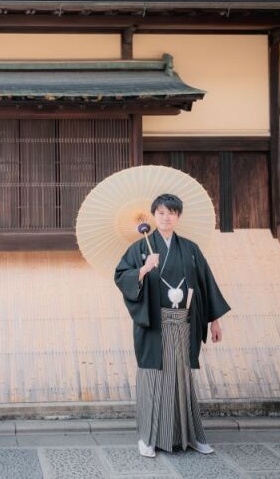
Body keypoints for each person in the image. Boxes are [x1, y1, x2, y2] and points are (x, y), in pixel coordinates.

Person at [114, 194, 230, 458]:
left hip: (184, 324)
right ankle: (148, 438)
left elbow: (206, 285)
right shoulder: (140, 249)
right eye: (162, 213)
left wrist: (215, 321)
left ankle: (189, 437)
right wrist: (143, 269)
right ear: (154, 216)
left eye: (172, 213)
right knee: (154, 380)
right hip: (155, 325)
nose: (167, 218)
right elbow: (121, 276)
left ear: (178, 217)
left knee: (181, 379)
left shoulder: (190, 249)